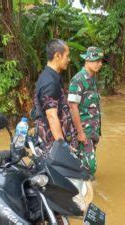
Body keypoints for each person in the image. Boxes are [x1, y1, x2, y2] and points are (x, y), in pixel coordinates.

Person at [33, 39, 78, 152]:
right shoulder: (50, 82)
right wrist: (63, 147)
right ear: (58, 55)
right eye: (67, 56)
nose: (69, 59)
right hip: (53, 145)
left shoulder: (52, 76)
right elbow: (52, 116)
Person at [68, 47, 103, 176]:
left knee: (86, 165)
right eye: (96, 60)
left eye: (100, 61)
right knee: (89, 167)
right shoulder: (78, 79)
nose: (99, 63)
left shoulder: (92, 79)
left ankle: (86, 191)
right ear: (87, 60)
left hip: (93, 131)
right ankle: (84, 193)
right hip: (84, 131)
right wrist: (80, 132)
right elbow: (73, 107)